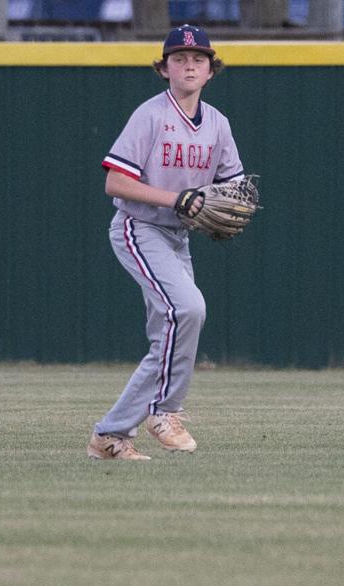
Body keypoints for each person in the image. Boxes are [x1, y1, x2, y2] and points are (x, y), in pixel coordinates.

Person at [88, 24, 246, 461]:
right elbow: (116, 183)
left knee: (170, 338)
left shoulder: (218, 124)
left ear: (212, 71)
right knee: (189, 309)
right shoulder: (150, 115)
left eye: (198, 59)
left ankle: (111, 436)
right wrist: (178, 198)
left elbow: (232, 188)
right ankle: (165, 410)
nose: (189, 65)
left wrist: (227, 205)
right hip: (139, 228)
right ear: (164, 69)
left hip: (179, 238)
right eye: (179, 58)